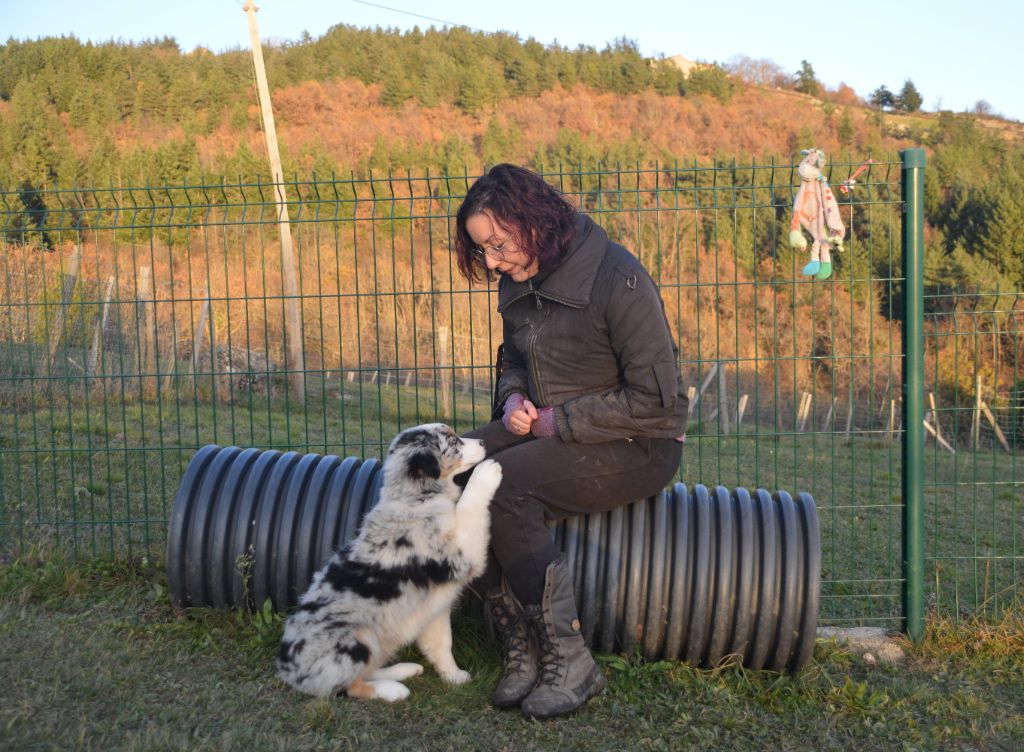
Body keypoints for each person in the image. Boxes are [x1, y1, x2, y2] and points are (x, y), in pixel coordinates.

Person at [453, 164, 688, 719]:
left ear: (532, 220)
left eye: (497, 244)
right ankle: (520, 645)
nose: (491, 262)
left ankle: (569, 656)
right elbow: (512, 358)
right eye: (482, 249)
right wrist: (512, 401)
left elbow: (658, 401)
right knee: (457, 472)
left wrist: (554, 423)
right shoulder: (519, 274)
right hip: (546, 427)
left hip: (637, 441)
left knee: (506, 489)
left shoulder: (618, 279)